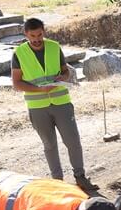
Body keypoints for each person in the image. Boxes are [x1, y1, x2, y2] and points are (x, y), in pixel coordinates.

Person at [11, 18, 98, 193]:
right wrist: (38, 89)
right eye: (32, 36)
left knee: (73, 141)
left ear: (44, 31)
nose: (36, 39)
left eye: (39, 34)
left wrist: (63, 77)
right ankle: (57, 182)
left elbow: (65, 71)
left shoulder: (54, 47)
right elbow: (17, 83)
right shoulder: (18, 53)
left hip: (61, 103)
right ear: (26, 34)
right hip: (38, 107)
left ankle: (80, 178)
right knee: (49, 145)